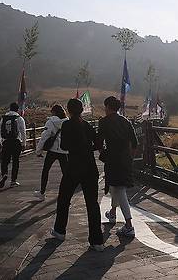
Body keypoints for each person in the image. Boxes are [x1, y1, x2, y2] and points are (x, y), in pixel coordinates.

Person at [51, 98, 104, 252]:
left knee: (63, 199)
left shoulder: (67, 124)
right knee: (92, 204)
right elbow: (96, 143)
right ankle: (97, 241)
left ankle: (60, 231)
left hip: (74, 167)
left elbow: (64, 145)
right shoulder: (87, 125)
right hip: (90, 167)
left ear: (69, 110)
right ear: (81, 110)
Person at [98, 96, 139, 237]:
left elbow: (99, 142)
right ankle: (113, 213)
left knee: (119, 190)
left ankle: (129, 225)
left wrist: (103, 153)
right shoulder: (126, 121)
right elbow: (135, 143)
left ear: (108, 107)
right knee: (115, 186)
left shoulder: (103, 122)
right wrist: (130, 158)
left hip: (112, 159)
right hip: (125, 159)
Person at [33, 104, 68, 201]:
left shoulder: (51, 122)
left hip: (52, 150)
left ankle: (42, 193)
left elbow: (44, 137)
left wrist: (38, 151)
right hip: (64, 150)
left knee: (45, 171)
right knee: (66, 173)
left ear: (54, 112)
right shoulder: (67, 122)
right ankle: (66, 194)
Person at [0, 102, 26, 188]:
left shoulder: (4, 118)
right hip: (16, 142)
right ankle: (13, 181)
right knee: (15, 161)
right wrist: (24, 143)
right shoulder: (19, 118)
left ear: (10, 108)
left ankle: (4, 174)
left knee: (5, 160)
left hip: (6, 142)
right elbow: (23, 132)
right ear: (17, 109)